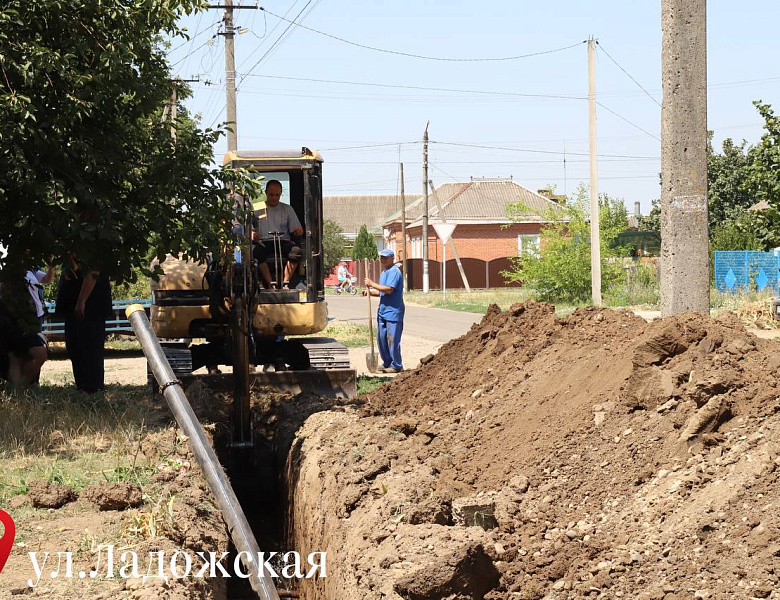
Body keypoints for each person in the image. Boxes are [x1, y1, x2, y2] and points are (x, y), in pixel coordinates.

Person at [55, 255, 112, 393]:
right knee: (75, 347)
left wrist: (81, 302)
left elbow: (93, 272)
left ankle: (92, 389)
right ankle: (82, 387)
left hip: (89, 308)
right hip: (73, 308)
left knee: (89, 348)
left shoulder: (91, 243)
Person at [0, 272, 48, 386]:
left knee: (33, 353)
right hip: (10, 322)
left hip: (27, 321)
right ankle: (19, 390)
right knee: (15, 357)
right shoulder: (8, 271)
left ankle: (23, 388)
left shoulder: (31, 271)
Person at [255, 180, 303, 288]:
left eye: (277, 195)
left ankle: (285, 282)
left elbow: (297, 228)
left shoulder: (287, 209)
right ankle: (270, 282)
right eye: (271, 194)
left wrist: (298, 231)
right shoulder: (257, 208)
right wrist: (252, 233)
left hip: (283, 242)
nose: (274, 197)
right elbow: (249, 228)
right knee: (257, 252)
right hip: (264, 242)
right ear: (266, 193)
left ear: (281, 194)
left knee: (296, 251)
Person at [364, 248, 404, 373]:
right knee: (381, 339)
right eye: (382, 257)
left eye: (386, 257)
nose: (383, 260)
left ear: (392, 258)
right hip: (382, 311)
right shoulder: (384, 272)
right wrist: (369, 292)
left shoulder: (394, 272)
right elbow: (382, 292)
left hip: (393, 311)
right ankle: (387, 362)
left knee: (392, 339)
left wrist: (371, 284)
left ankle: (396, 365)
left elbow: (389, 289)